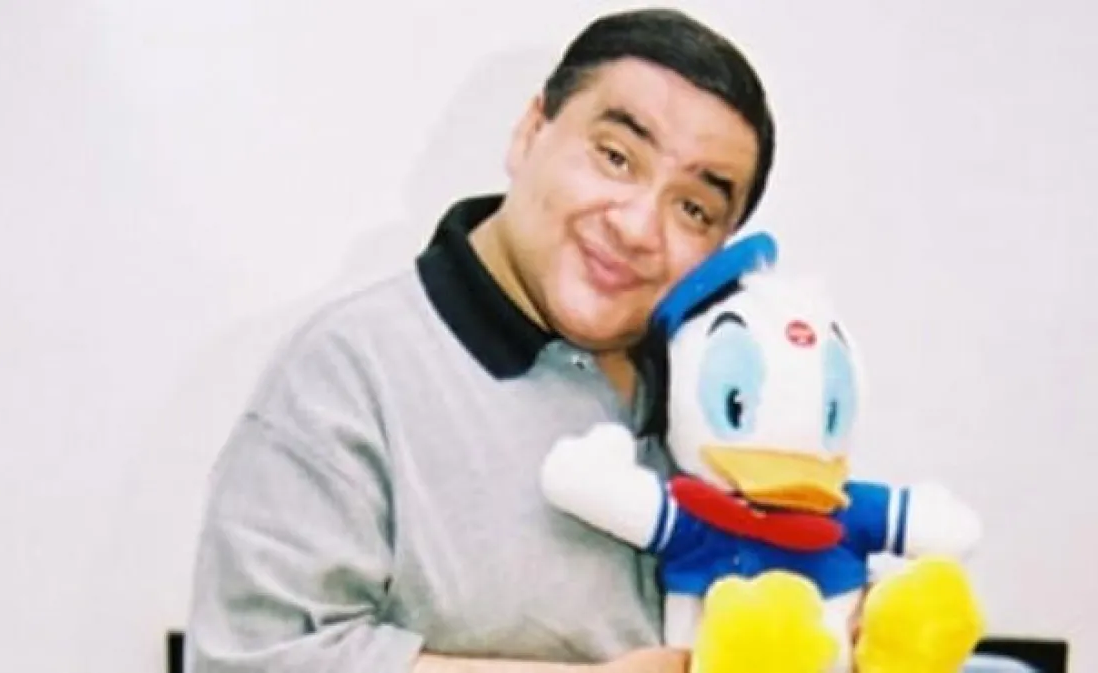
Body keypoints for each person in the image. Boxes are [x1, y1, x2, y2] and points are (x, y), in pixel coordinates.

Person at [185, 7, 775, 673]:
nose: (639, 228)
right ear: (530, 131)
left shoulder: (729, 403)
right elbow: (256, 660)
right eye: (615, 157)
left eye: (694, 208)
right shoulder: (352, 369)